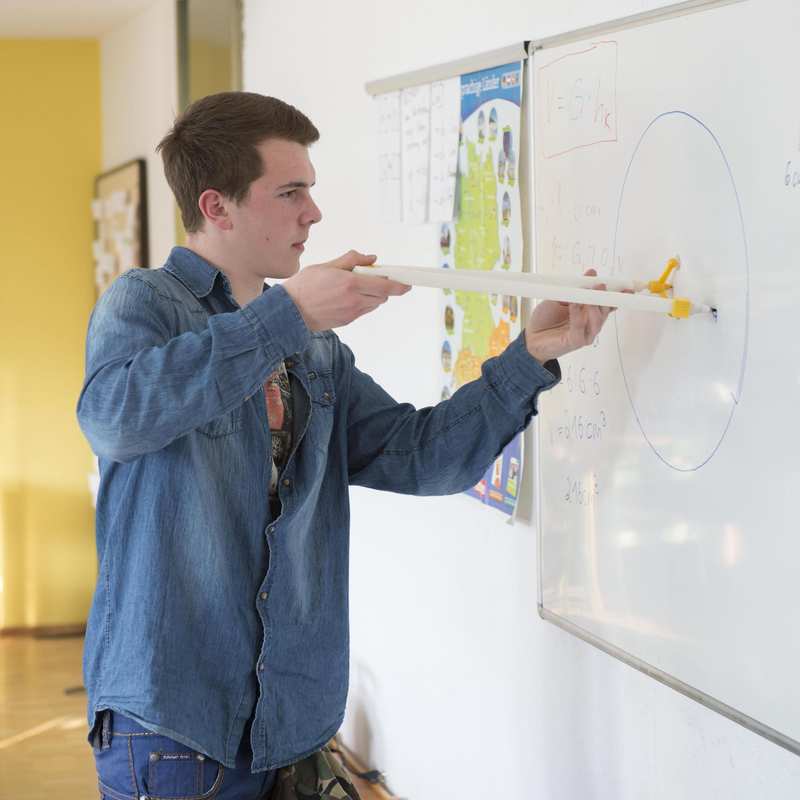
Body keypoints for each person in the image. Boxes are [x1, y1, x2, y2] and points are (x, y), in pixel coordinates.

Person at [77, 91, 610, 799]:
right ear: (217, 206)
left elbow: (423, 457)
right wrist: (288, 312)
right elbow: (115, 418)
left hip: (285, 728)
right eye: (291, 192)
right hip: (173, 725)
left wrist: (531, 356)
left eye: (311, 191)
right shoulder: (144, 303)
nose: (314, 214)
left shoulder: (313, 350)